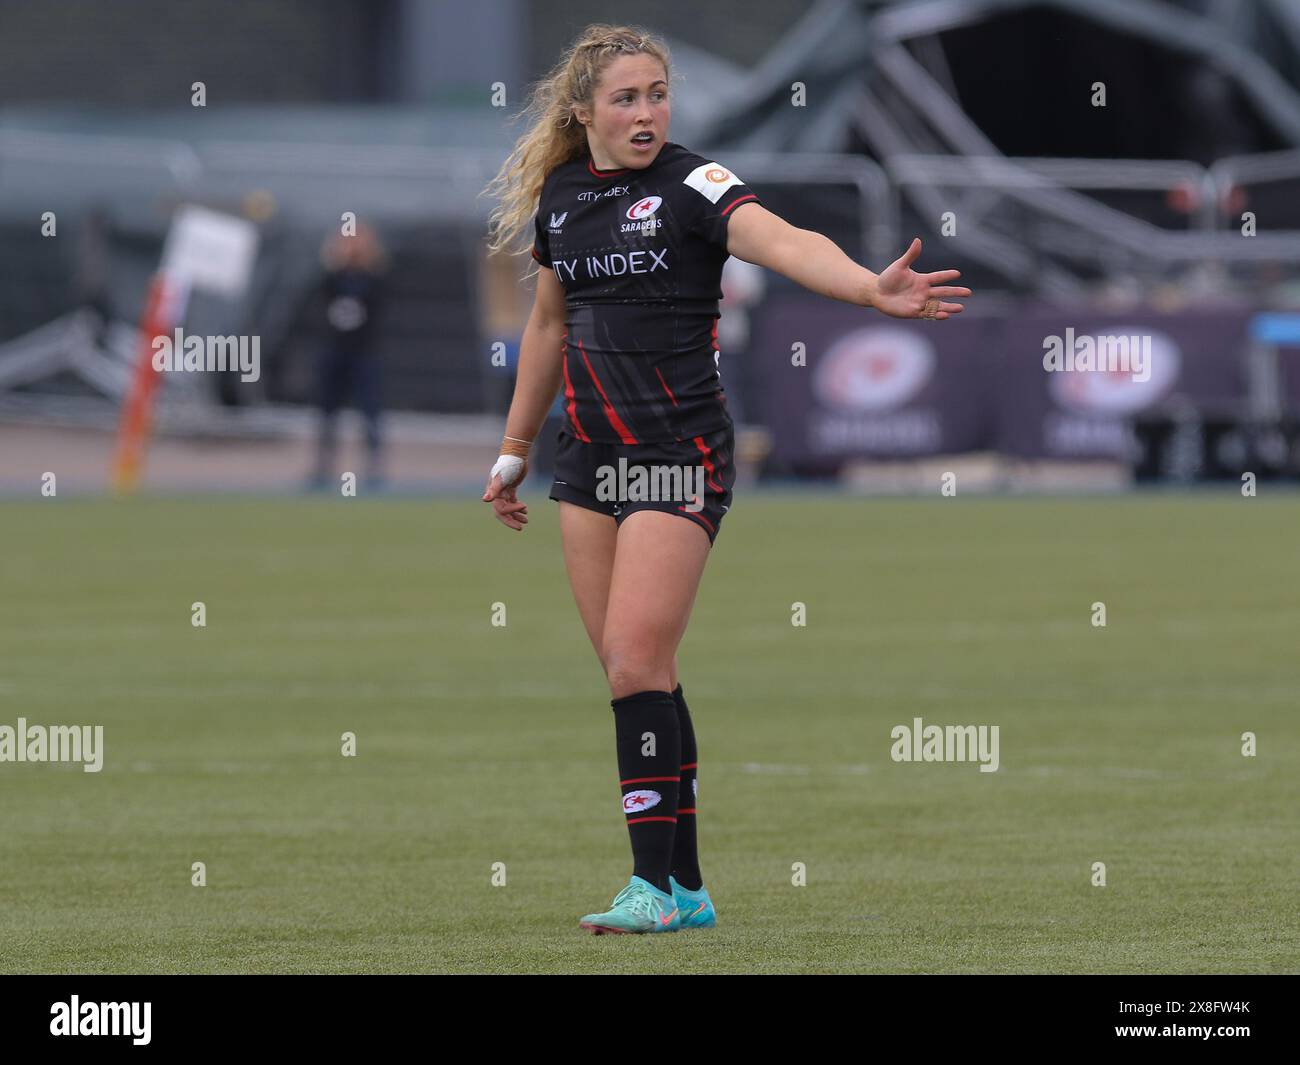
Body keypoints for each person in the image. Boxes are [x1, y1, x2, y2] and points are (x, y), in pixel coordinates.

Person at [480, 24, 970, 935]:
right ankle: (689, 886)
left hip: (678, 453)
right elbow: (548, 327)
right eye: (626, 98)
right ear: (582, 109)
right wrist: (515, 448)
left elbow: (783, 240)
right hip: (589, 459)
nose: (646, 112)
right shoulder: (563, 197)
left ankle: (650, 890)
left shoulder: (695, 185)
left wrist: (868, 287)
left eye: (658, 94)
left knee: (635, 662)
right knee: (638, 673)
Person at [308, 224, 388, 491]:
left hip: (364, 354)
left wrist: (365, 255)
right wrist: (338, 255)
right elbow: (322, 288)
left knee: (370, 411)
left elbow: (379, 288)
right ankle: (323, 466)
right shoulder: (330, 279)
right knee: (327, 411)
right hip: (335, 353)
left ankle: (374, 467)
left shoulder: (373, 280)